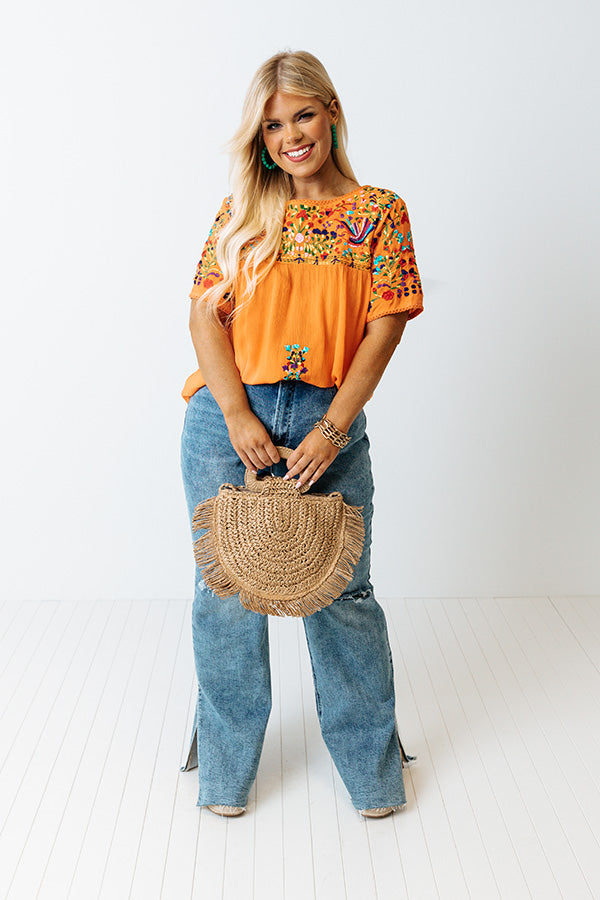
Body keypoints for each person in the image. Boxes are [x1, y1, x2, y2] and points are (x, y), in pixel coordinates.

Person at [179, 49, 423, 819]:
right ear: (260, 137)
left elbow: (385, 326)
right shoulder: (244, 211)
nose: (291, 137)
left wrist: (333, 429)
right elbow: (203, 316)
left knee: (344, 593)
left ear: (332, 112)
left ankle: (373, 775)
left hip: (328, 418)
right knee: (225, 594)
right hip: (229, 417)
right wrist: (236, 415)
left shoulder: (378, 211)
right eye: (274, 125)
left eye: (303, 116)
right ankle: (224, 774)